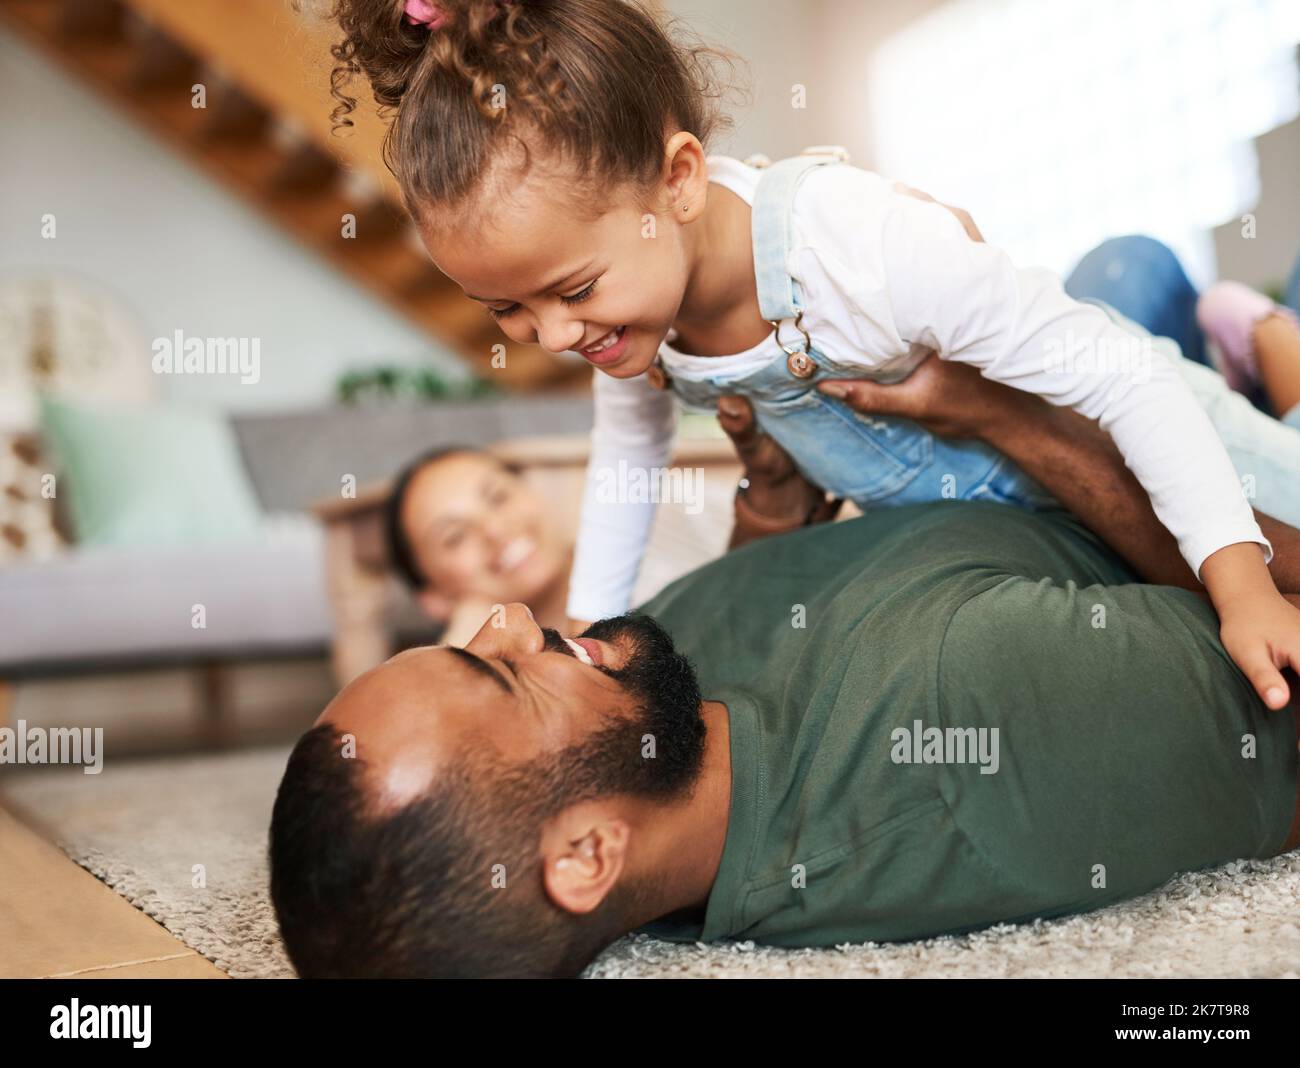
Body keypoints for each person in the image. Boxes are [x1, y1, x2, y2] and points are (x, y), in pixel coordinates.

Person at [327, 0, 1300, 711]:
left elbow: (1120, 382)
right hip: (1038, 524)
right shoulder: (639, 326)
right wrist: (585, 636)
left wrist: (1242, 583)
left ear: (676, 180)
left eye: (573, 291)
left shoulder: (855, 244)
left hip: (1166, 458)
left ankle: (1254, 340)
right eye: (508, 311)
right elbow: (625, 468)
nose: (550, 336)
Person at [268, 350, 1300, 978]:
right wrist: (1005, 416)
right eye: (493, 674)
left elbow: (768, 643)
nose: (497, 621)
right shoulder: (971, 740)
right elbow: (1276, 622)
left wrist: (770, 515)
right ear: (585, 858)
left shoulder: (643, 717)